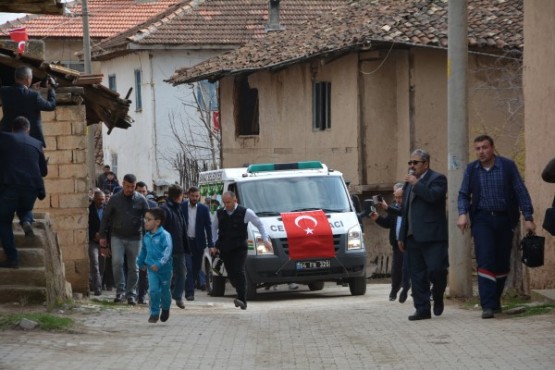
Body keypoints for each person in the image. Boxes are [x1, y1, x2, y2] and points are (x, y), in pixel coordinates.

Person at [457, 135, 536, 319]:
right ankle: (488, 305)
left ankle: (496, 300)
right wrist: (462, 213)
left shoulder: (507, 166)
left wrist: (528, 217)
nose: (481, 152)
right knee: (485, 259)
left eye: (484, 147)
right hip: (482, 219)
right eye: (477, 148)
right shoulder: (472, 169)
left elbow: (520, 191)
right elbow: (462, 194)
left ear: (492, 148)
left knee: (501, 262)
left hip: (505, 219)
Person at [398, 149, 448, 321]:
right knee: (417, 275)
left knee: (436, 270)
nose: (411, 166)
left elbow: (433, 196)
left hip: (433, 235)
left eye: (415, 163)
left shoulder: (438, 179)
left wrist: (416, 183)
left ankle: (438, 293)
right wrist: (401, 235)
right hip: (412, 236)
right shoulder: (408, 184)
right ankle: (422, 309)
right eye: (410, 163)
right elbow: (405, 210)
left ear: (425, 164)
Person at [210, 191, 272, 310]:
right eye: (224, 203)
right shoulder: (220, 214)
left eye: (228, 202)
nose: (226, 205)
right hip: (226, 248)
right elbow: (213, 228)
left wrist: (265, 239)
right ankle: (239, 291)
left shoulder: (245, 212)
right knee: (232, 274)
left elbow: (259, 224)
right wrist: (213, 244)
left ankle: (242, 299)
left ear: (235, 200)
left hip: (240, 248)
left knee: (239, 271)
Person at [0, 116, 48, 268]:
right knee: (25, 208)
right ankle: (26, 221)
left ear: (13, 128)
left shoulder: (5, 138)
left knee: (4, 221)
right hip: (32, 187)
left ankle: (13, 259)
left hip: (11, 185)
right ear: (28, 129)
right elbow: (43, 171)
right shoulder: (37, 143)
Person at [99, 173, 150, 305]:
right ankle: (120, 291)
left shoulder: (141, 200)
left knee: (134, 267)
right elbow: (105, 218)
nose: (129, 189)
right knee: (117, 263)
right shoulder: (115, 199)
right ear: (123, 184)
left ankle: (131, 294)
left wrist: (150, 238)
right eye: (127, 186)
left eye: (132, 187)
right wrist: (103, 237)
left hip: (135, 237)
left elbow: (148, 219)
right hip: (118, 236)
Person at [370, 183, 410, 302]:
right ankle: (394, 290)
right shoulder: (393, 208)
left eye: (400, 197)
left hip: (410, 243)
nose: (397, 200)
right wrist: (377, 218)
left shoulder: (410, 208)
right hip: (397, 244)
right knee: (397, 268)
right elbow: (387, 223)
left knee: (410, 268)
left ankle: (408, 288)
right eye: (396, 197)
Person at [0, 66, 56, 147]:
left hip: (8, 137)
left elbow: (20, 96)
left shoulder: (4, 91)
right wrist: (52, 89)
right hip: (30, 139)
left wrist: (30, 90)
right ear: (28, 79)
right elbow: (51, 106)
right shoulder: (34, 96)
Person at [137, 208, 173, 323]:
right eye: (145, 219)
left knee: (164, 292)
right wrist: (141, 262)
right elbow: (143, 251)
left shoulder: (165, 235)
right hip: (151, 269)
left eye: (149, 219)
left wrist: (159, 263)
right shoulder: (147, 236)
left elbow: (167, 251)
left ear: (157, 222)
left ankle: (166, 308)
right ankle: (154, 313)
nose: (145, 222)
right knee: (153, 290)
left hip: (164, 269)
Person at [160, 184, 190, 309]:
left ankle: (177, 296)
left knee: (182, 273)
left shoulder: (178, 208)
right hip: (167, 249)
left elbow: (182, 228)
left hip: (179, 248)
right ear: (179, 196)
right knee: (166, 275)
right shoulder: (165, 209)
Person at [182, 186, 214, 299]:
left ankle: (190, 286)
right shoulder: (182, 207)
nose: (195, 198)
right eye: (192, 196)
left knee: (196, 268)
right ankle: (190, 293)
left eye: (197, 196)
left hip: (198, 243)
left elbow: (208, 227)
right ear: (188, 195)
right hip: (186, 242)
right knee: (189, 267)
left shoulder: (203, 209)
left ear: (199, 196)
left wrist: (211, 244)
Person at [135, 181, 157, 304]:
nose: (142, 194)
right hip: (136, 240)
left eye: (144, 191)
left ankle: (144, 294)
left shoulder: (153, 205)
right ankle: (137, 294)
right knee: (138, 269)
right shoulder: (133, 205)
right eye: (139, 192)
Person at [89, 189, 107, 296]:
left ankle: (99, 283)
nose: (101, 201)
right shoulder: (89, 210)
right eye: (99, 199)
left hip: (104, 241)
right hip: (93, 241)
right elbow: (86, 224)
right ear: (94, 199)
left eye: (103, 199)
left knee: (102, 264)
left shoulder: (107, 210)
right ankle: (98, 288)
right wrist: (93, 234)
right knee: (94, 263)